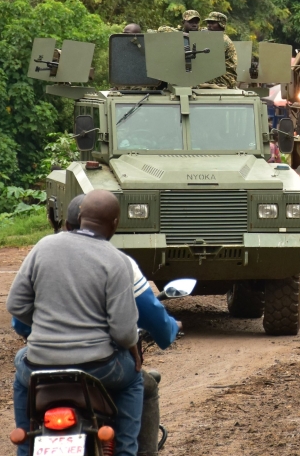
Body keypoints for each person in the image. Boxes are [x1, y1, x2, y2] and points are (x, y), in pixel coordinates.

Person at [16, 194, 181, 456]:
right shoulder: (116, 260)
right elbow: (124, 331)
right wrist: (131, 347)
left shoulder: (43, 246)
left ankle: (24, 448)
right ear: (115, 223)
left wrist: (40, 328)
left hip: (40, 362)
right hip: (99, 368)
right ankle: (127, 452)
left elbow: (16, 305)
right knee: (135, 382)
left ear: (78, 219)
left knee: (20, 368)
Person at [203, 12, 239, 89]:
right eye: (208, 22)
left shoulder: (222, 40)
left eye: (212, 23)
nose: (209, 25)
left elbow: (207, 59)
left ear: (221, 24)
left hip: (225, 78)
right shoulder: (214, 38)